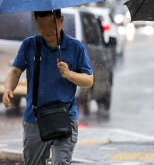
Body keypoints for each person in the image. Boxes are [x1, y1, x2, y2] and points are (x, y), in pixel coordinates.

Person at [2, 10, 94, 165]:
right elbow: (15, 72)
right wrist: (8, 89)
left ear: (61, 20)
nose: (47, 30)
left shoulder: (76, 47)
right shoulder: (29, 45)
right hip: (35, 117)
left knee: (61, 162)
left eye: (51, 24)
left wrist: (69, 74)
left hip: (66, 116)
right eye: (41, 25)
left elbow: (89, 80)